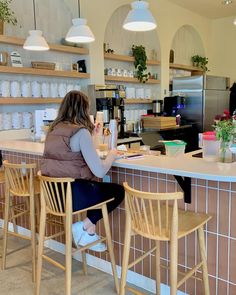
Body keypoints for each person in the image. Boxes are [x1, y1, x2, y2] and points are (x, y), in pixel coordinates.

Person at [41, 90, 124, 252]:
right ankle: (84, 225)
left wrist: (92, 137)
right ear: (83, 109)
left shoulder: (52, 130)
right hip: (73, 197)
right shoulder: (80, 132)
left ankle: (89, 232)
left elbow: (70, 155)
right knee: (117, 191)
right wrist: (112, 155)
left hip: (54, 197)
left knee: (97, 191)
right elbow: (99, 172)